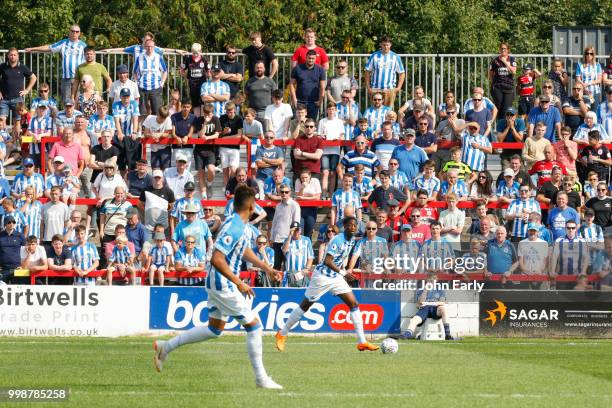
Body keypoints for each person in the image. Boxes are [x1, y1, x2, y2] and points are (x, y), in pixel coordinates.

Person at [154, 185, 283, 388]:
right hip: (224, 285)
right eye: (255, 204)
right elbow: (216, 258)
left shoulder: (237, 223)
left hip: (218, 283)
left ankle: (166, 347)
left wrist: (266, 267)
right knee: (255, 326)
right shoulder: (235, 226)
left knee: (215, 329)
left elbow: (243, 249)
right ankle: (261, 379)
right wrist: (239, 282)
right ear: (250, 206)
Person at [275, 216, 378, 351]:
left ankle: (362, 341)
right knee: (305, 305)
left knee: (353, 303)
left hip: (335, 277)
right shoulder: (339, 240)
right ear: (345, 227)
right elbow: (327, 261)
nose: (353, 228)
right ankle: (282, 334)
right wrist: (344, 273)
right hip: (322, 277)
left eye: (355, 226)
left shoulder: (352, 239)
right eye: (350, 225)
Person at [25, 25, 85, 103]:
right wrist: (32, 49)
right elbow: (49, 47)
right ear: (69, 32)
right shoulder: (64, 42)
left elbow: (90, 57)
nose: (74, 33)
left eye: (77, 32)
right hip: (66, 78)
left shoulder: (83, 45)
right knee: (67, 102)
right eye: (73, 31)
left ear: (79, 33)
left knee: (78, 101)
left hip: (78, 78)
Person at [402, 272, 455, 340]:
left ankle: (448, 334)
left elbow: (442, 302)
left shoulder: (440, 290)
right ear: (427, 281)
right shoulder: (420, 290)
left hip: (435, 310)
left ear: (436, 280)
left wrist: (430, 303)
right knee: (414, 319)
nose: (432, 282)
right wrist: (425, 290)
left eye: (433, 280)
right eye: (430, 280)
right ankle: (407, 335)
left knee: (443, 309)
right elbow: (419, 304)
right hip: (424, 309)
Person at [0, 47, 37, 131]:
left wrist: (27, 90)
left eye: (14, 55)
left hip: (18, 100)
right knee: (1, 121)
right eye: (11, 55)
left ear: (18, 56)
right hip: (4, 99)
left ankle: (15, 142)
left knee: (17, 122)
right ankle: (3, 142)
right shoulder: (3, 66)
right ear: (8, 56)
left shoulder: (22, 67)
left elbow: (34, 78)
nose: (13, 57)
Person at [364, 37, 405, 107]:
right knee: (375, 111)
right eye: (384, 45)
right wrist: (368, 88)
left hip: (389, 89)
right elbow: (367, 71)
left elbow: (402, 73)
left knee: (388, 113)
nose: (386, 47)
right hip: (375, 89)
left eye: (387, 45)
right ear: (380, 45)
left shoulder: (395, 57)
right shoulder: (374, 56)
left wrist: (398, 88)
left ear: (390, 45)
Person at [346, 220, 389, 286]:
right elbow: (355, 256)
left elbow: (386, 257)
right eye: (369, 228)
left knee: (376, 294)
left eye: (373, 228)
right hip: (363, 273)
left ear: (376, 230)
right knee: (362, 294)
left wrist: (386, 269)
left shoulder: (382, 241)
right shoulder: (361, 242)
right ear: (366, 229)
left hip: (377, 273)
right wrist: (350, 269)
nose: (371, 230)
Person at [550, 220, 589, 289]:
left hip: (577, 277)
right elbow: (554, 256)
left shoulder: (582, 241)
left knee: (576, 299)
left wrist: (583, 271)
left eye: (573, 228)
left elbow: (586, 258)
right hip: (562, 277)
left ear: (576, 228)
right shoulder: (559, 241)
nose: (571, 230)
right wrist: (552, 270)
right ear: (565, 228)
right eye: (568, 228)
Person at [133, 39, 167, 118]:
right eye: (148, 46)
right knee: (142, 112)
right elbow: (135, 72)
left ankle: (155, 129)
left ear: (154, 47)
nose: (149, 48)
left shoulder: (158, 57)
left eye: (151, 46)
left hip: (155, 87)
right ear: (145, 47)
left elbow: (165, 71)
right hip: (142, 88)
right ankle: (141, 129)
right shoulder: (140, 57)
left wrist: (162, 83)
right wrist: (137, 82)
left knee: (157, 111)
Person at [290, 50, 326, 120]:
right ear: (306, 57)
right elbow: (291, 84)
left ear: (315, 59)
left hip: (314, 102)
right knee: (298, 123)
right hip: (300, 101)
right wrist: (294, 99)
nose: (311, 60)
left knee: (311, 124)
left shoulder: (320, 70)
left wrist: (320, 100)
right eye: (309, 58)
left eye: (313, 58)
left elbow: (322, 87)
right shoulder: (297, 68)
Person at [138, 169, 175, 239]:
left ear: (163, 179)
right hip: (149, 227)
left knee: (162, 248)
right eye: (155, 177)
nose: (157, 179)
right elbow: (139, 204)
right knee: (148, 247)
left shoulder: (169, 192)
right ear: (152, 179)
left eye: (159, 177)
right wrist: (147, 211)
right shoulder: (145, 190)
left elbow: (172, 206)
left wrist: (165, 213)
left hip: (163, 227)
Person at [318, 103, 344, 197]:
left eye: (333, 109)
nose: (331, 111)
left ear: (335, 110)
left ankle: (331, 195)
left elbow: (342, 135)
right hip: (324, 150)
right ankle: (324, 195)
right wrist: (321, 136)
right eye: (329, 109)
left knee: (333, 173)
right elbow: (318, 135)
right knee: (325, 172)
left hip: (335, 150)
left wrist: (338, 139)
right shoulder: (322, 121)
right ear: (327, 110)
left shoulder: (339, 122)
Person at [281, 221, 314, 287]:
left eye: (297, 230)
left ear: (300, 230)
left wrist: (306, 269)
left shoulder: (306, 240)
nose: (296, 232)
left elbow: (310, 257)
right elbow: (284, 251)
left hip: (302, 273)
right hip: (289, 273)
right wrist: (290, 235)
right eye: (294, 230)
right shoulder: (287, 240)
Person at [488, 42, 517, 114]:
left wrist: (505, 61)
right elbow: (490, 74)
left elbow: (513, 72)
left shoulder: (512, 59)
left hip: (508, 87)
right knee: (499, 107)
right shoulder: (495, 61)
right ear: (499, 49)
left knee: (506, 109)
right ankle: (499, 123)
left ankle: (505, 124)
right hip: (498, 87)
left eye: (505, 48)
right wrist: (493, 83)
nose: (503, 50)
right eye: (502, 48)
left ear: (508, 50)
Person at [575, 46, 603, 113]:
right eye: (587, 53)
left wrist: (589, 83)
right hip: (584, 92)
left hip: (595, 92)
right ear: (585, 54)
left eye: (591, 53)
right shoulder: (580, 65)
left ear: (593, 55)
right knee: (585, 112)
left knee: (594, 112)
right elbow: (577, 78)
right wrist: (583, 85)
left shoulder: (597, 65)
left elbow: (599, 80)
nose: (589, 55)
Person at [0, 216, 26, 283]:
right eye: (9, 222)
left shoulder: (20, 236)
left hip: (17, 268)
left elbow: (25, 251)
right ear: (5, 224)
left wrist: (23, 265)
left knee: (18, 291)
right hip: (3, 268)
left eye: (13, 222)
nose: (12, 224)